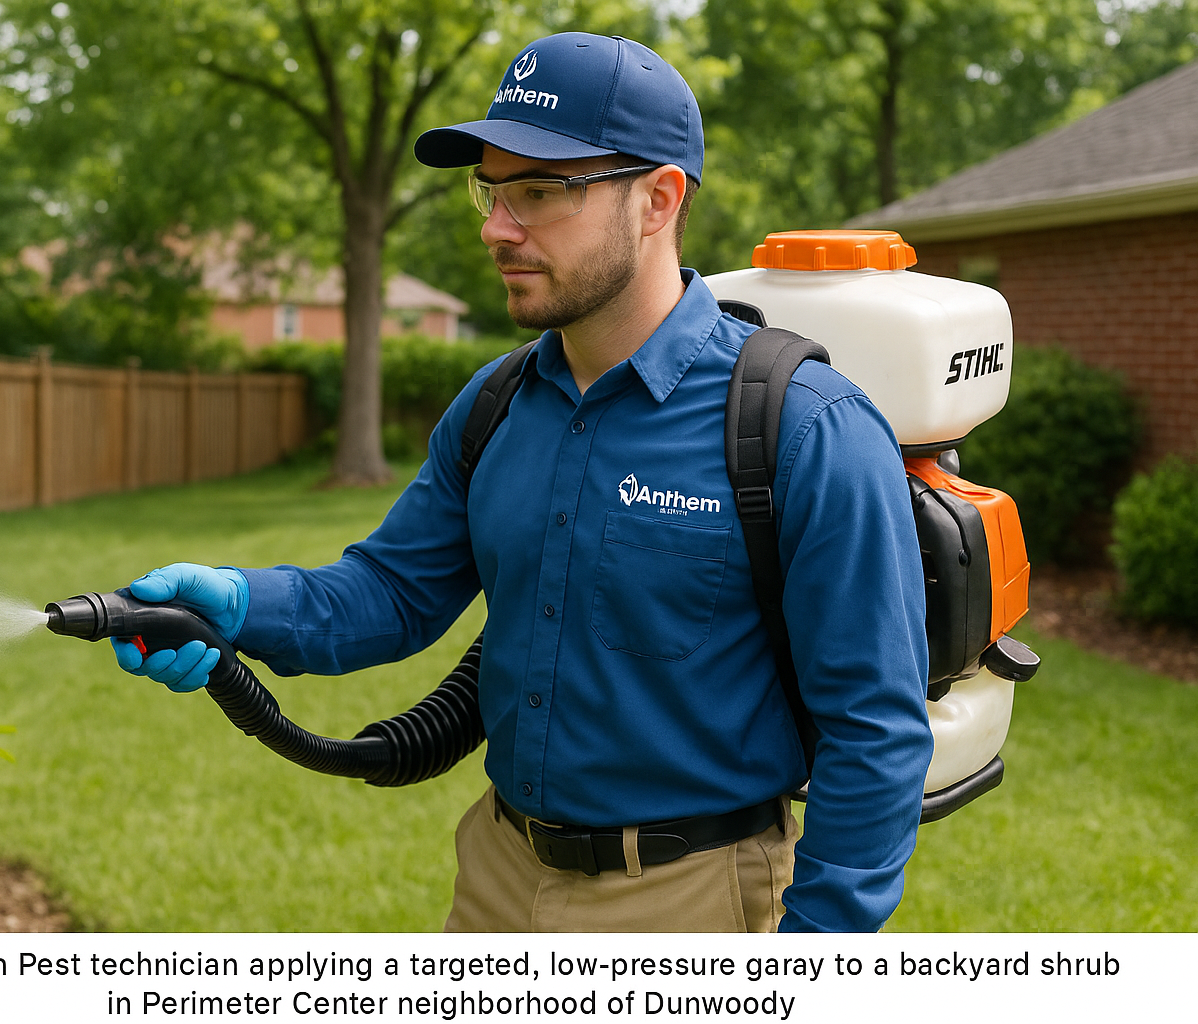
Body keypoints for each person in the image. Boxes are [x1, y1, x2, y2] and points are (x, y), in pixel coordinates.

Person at [114, 32, 933, 932]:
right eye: (492, 191)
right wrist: (234, 603)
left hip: (695, 900)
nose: (495, 228)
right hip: (500, 878)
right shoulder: (498, 402)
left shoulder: (803, 426)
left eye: (540, 192)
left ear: (659, 199)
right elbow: (390, 592)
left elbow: (874, 732)